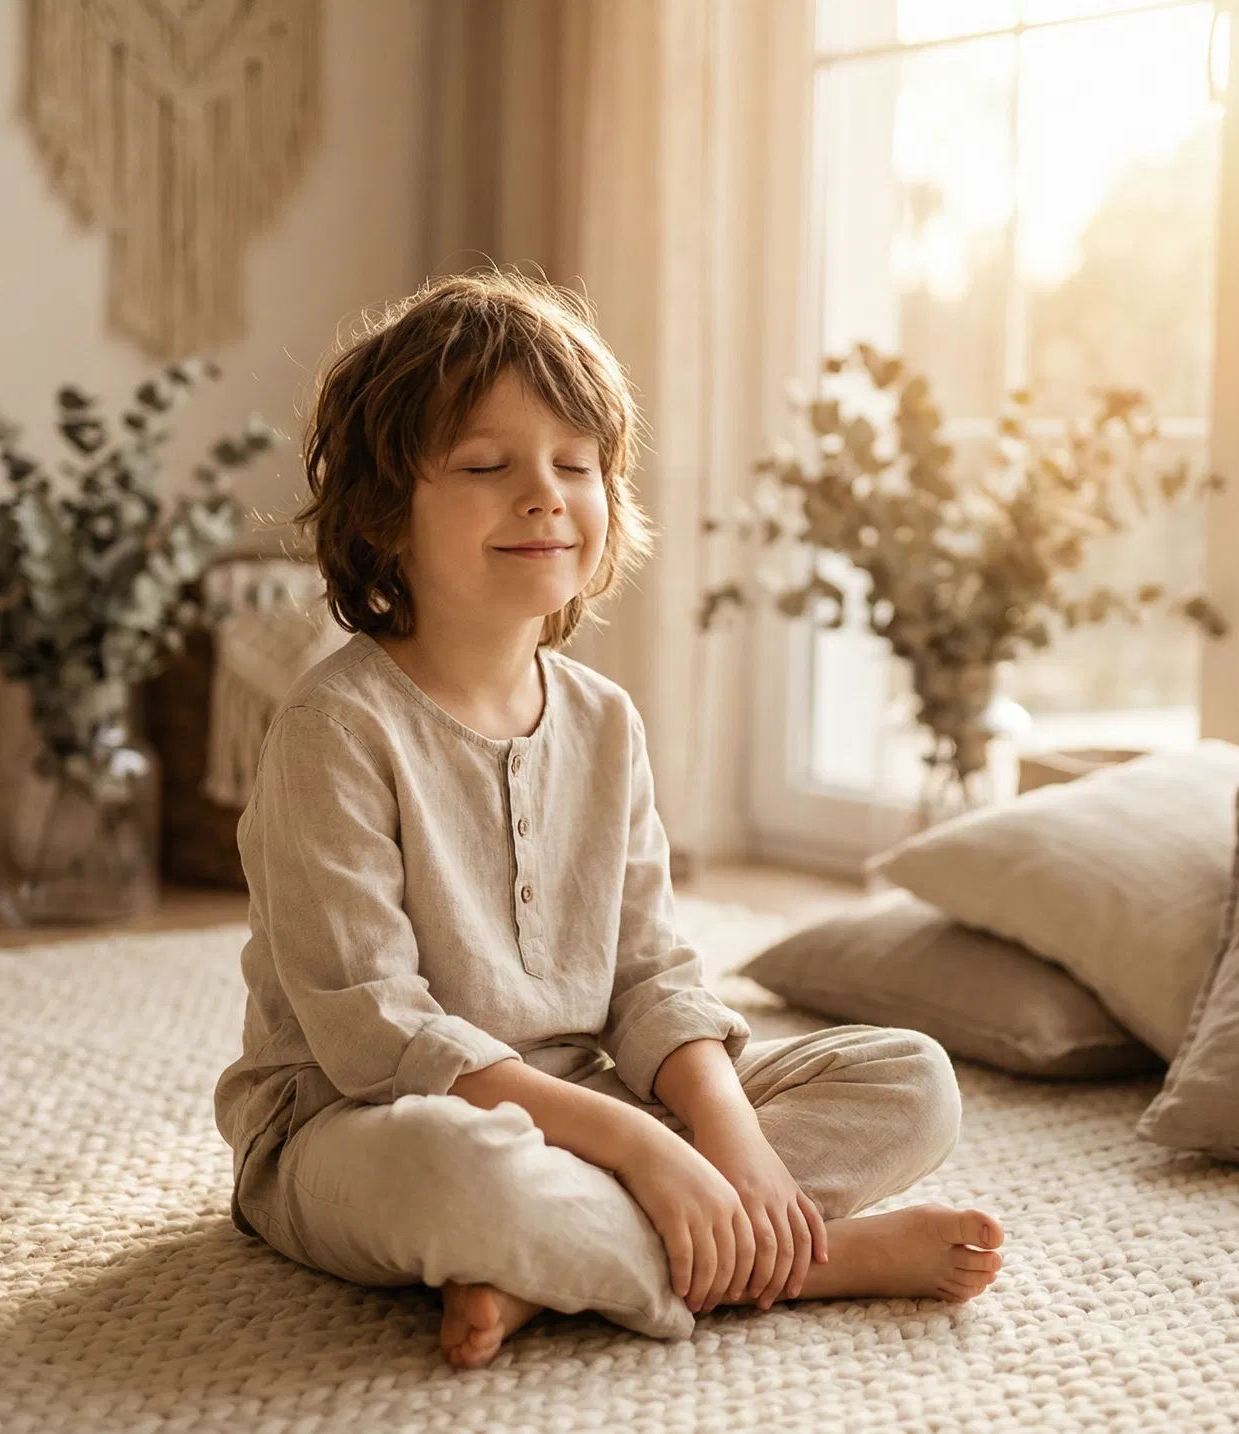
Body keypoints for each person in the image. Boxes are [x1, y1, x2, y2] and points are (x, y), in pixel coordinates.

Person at [212, 269, 1003, 1370]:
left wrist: (728, 1144)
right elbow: (375, 1032)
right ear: (384, 516)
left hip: (594, 1086)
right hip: (359, 1122)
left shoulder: (605, 719)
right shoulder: (333, 725)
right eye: (487, 467)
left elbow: (651, 976)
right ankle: (815, 1260)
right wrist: (642, 1146)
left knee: (913, 1079)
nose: (544, 495)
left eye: (575, 466)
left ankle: (575, 1267)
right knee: (462, 1177)